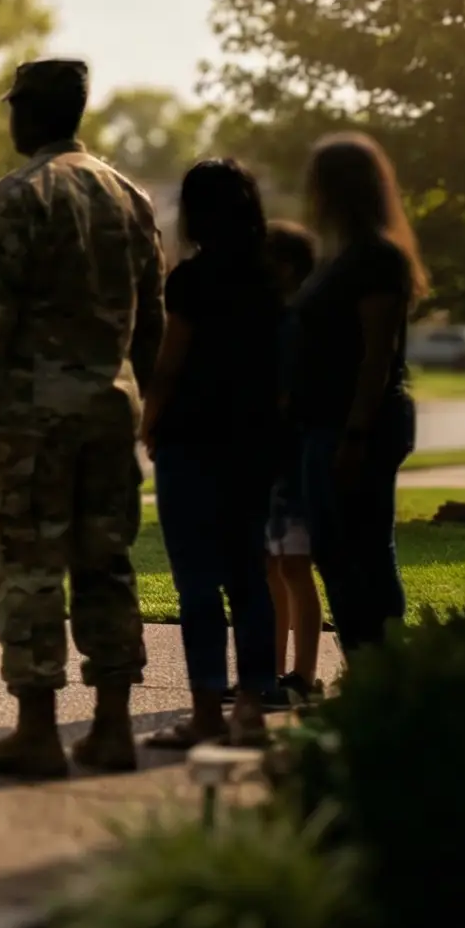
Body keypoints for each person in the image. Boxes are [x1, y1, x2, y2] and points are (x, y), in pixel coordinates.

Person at [0, 58, 165, 780]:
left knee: (28, 563)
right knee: (106, 563)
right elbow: (152, 316)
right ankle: (111, 729)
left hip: (33, 416)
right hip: (110, 407)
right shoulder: (127, 196)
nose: (10, 120)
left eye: (15, 108)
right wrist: (146, 395)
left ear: (33, 113)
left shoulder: (19, 197)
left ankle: (37, 730)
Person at [137, 160, 283, 750]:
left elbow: (172, 362)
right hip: (252, 441)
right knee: (249, 575)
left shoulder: (191, 280)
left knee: (197, 580)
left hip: (192, 439)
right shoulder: (271, 278)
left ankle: (205, 710)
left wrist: (149, 421)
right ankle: (251, 706)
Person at [290, 133, 425, 654]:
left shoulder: (376, 259)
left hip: (352, 425)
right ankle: (367, 664)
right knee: (339, 549)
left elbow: (377, 354)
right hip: (326, 422)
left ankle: (379, 669)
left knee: (360, 550)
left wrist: (356, 434)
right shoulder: (343, 257)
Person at [261, 221, 324, 706]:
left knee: (295, 568)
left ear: (284, 267)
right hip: (272, 460)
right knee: (271, 567)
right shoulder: (272, 317)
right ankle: (271, 672)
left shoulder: (299, 320)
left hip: (292, 457)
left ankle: (303, 675)